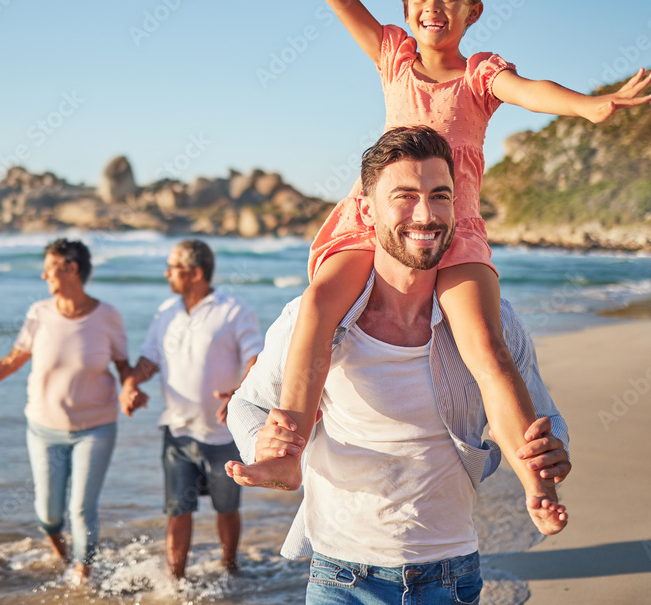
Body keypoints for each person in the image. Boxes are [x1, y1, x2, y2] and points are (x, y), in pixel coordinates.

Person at [233, 0, 650, 532]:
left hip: (454, 229)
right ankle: (288, 444)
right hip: (377, 219)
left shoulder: (482, 75)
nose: (433, 8)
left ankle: (534, 477)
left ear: (474, 10)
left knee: (487, 346)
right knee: (319, 303)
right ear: (406, 8)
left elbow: (533, 89)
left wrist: (587, 108)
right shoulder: (393, 54)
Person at [226, 127, 572, 604]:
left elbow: (542, 412)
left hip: (450, 575)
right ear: (367, 211)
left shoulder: (491, 321)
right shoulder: (314, 320)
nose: (426, 215)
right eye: (405, 197)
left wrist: (553, 449)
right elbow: (246, 404)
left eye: (439, 196)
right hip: (341, 578)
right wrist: (262, 445)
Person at [0, 239, 131, 584]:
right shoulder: (39, 313)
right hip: (43, 428)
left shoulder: (108, 316)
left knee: (81, 508)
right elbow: (12, 362)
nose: (44, 273)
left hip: (97, 426)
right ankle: (64, 556)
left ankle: (82, 575)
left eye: (50, 266)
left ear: (71, 269)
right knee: (48, 514)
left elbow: (124, 367)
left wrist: (131, 389)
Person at [119, 240, 264, 579]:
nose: (166, 273)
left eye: (173, 267)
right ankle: (176, 581)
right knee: (177, 510)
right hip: (178, 433)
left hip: (223, 435)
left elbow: (255, 358)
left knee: (227, 508)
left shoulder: (233, 309)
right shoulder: (166, 311)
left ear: (195, 273)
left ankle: (230, 568)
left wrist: (239, 393)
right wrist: (130, 384)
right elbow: (148, 360)